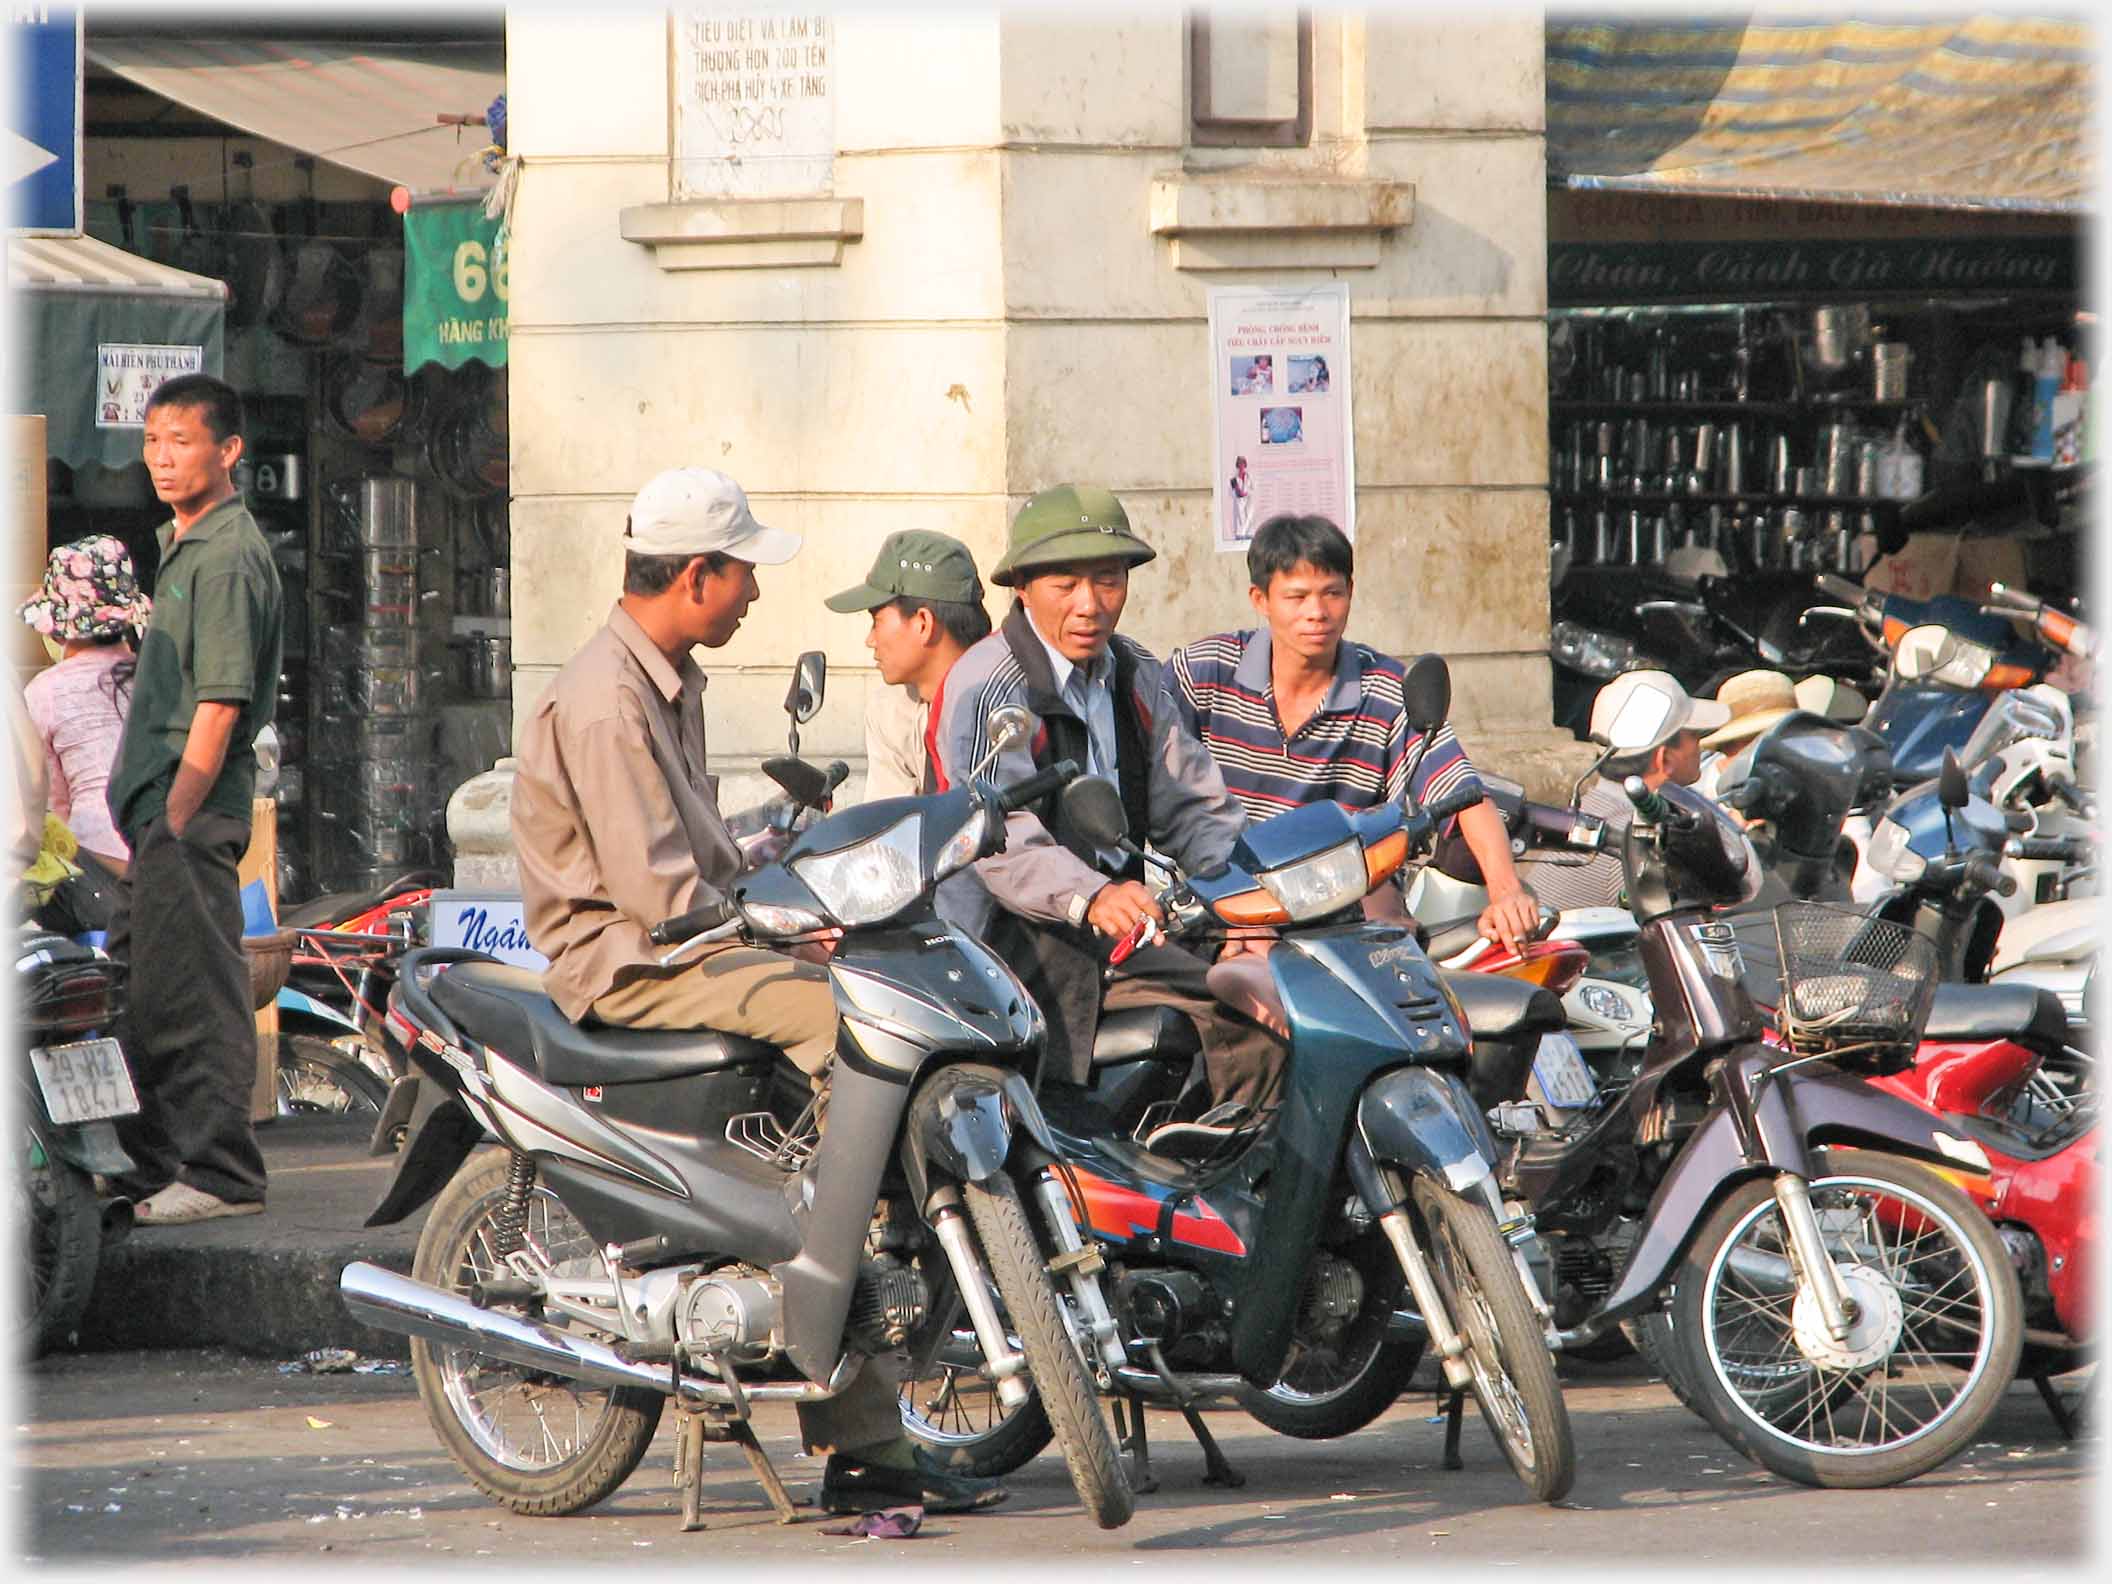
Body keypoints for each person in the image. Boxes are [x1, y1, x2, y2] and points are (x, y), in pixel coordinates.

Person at [508, 466, 1004, 1517]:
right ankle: (820, 1249)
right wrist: (778, 922)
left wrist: (780, 872)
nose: (753, 596)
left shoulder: (665, 678)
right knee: (847, 1023)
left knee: (879, 984)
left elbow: (700, 856)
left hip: (686, 938)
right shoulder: (606, 699)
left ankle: (846, 1302)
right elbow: (656, 892)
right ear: (695, 575)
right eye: (742, 576)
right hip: (631, 961)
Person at [932, 483, 1287, 1155]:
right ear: (1023, 589)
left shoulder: (1137, 672)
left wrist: (1255, 909)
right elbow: (997, 838)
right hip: (1007, 951)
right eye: (1065, 584)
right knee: (1243, 1024)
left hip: (1124, 931)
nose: (1090, 604)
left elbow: (1195, 807)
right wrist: (1093, 895)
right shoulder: (987, 688)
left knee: (1287, 997)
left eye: (1108, 580)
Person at [1170, 513, 1543, 950]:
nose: (1318, 613)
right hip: (1228, 901)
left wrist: (1506, 891)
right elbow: (1144, 766)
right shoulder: (1204, 671)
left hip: (1347, 901)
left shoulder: (1385, 687)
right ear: (1260, 599)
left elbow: (1462, 791)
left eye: (1333, 593)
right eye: (1297, 596)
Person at [102, 374, 284, 1226]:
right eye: (152, 441)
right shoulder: (183, 543)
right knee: (136, 992)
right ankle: (148, 1164)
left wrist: (175, 816)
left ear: (229, 451)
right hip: (155, 818)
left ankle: (220, 1173)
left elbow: (220, 704)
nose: (163, 458)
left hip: (189, 813)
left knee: (195, 996)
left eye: (181, 441)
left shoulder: (228, 555)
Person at [1527, 670, 1731, 912]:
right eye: (1695, 736)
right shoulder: (1638, 843)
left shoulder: (1590, 815)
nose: (1700, 745)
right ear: (1663, 760)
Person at [17, 535, 151, 872]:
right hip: (163, 852)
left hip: (97, 861)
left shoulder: (45, 691)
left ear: (58, 630)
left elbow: (50, 807)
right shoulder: (155, 677)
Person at [823, 530, 990, 799]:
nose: (870, 640)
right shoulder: (891, 712)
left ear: (923, 623)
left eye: (877, 622)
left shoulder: (1006, 701)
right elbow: (887, 827)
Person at [1228, 455, 1254, 540]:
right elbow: (1233, 493)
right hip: (1238, 503)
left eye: (1243, 463)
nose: (1241, 465)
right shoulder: (1233, 479)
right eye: (1239, 463)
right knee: (1240, 520)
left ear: (1245, 464)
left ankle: (1248, 533)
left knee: (1248, 518)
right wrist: (1240, 493)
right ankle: (1240, 535)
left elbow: (1253, 489)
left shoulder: (1249, 476)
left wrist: (1246, 493)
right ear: (1237, 465)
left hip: (1248, 501)